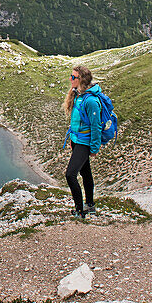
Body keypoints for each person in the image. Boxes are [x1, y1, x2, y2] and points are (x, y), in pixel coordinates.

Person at [64, 65, 101, 219]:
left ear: (81, 80)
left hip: (84, 143)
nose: (70, 79)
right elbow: (77, 122)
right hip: (77, 141)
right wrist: (72, 140)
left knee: (70, 174)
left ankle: (80, 210)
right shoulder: (77, 95)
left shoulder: (90, 101)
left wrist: (93, 148)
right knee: (86, 173)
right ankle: (90, 205)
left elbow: (96, 126)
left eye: (73, 77)